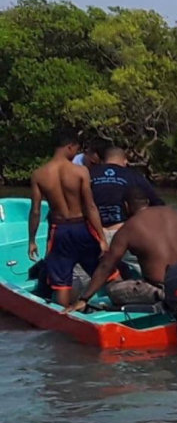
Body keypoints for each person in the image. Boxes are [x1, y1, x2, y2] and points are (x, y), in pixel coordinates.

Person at [62, 186, 177, 312]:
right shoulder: (174, 214)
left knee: (112, 289)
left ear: (126, 206)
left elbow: (106, 266)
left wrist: (84, 299)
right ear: (147, 202)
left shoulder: (128, 228)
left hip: (160, 290)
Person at [28, 130, 108, 307]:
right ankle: (115, 309)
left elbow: (35, 211)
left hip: (59, 230)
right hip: (82, 228)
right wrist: (102, 238)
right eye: (76, 149)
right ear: (69, 147)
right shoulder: (80, 172)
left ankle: (62, 318)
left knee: (61, 284)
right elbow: (90, 207)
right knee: (105, 272)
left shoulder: (39, 174)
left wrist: (32, 240)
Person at [89, 146, 165, 244]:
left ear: (104, 160)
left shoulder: (89, 173)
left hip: (94, 232)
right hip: (123, 231)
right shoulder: (133, 175)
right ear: (125, 161)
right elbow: (157, 203)